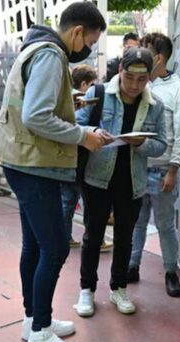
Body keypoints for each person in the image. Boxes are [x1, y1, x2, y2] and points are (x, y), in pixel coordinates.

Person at [0, 2, 110, 342]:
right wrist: (82, 135)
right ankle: (40, 334)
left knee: (36, 246)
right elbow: (36, 115)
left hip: (21, 160)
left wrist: (66, 104)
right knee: (55, 248)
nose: (88, 47)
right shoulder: (51, 56)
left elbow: (34, 105)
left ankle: (32, 319)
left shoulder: (36, 46)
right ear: (77, 32)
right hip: (34, 165)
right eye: (90, 40)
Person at [73, 47, 167, 317]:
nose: (135, 85)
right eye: (130, 77)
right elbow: (78, 126)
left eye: (142, 79)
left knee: (125, 237)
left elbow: (161, 144)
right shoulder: (98, 93)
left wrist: (143, 143)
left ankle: (119, 288)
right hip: (97, 177)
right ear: (120, 71)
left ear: (149, 77)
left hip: (133, 179)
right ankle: (86, 290)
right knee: (93, 236)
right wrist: (92, 133)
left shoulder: (156, 105)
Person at [128, 33, 180, 296]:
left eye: (144, 52)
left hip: (163, 169)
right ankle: (133, 265)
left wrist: (173, 169)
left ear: (158, 58)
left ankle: (170, 271)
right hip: (136, 166)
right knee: (137, 222)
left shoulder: (179, 90)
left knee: (165, 225)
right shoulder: (139, 85)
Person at [61, 64, 112, 252]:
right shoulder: (80, 99)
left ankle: (65, 237)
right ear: (83, 84)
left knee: (68, 199)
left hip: (68, 158)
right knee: (87, 201)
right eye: (91, 84)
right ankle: (94, 239)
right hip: (81, 158)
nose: (94, 89)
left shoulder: (65, 96)